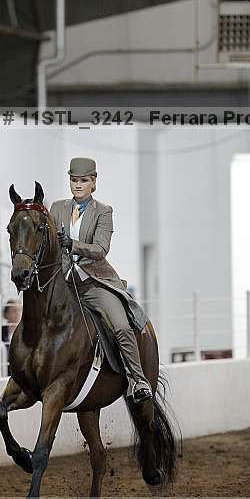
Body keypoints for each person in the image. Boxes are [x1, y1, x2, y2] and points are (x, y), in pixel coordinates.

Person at [50, 157, 152, 403]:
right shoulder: (57, 208)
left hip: (94, 282)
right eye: (74, 180)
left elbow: (100, 249)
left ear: (93, 182)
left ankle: (138, 380)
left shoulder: (104, 212)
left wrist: (72, 244)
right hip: (64, 283)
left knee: (121, 326)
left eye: (83, 180)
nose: (78, 185)